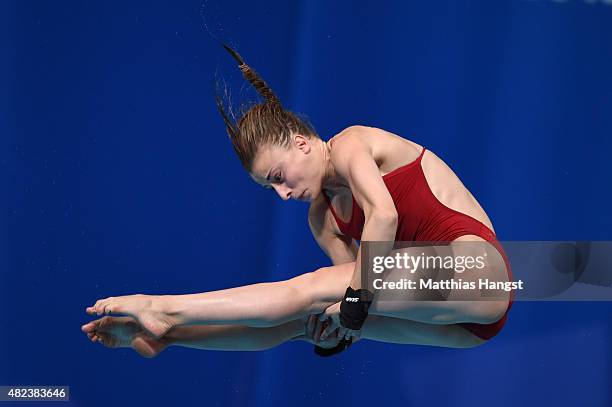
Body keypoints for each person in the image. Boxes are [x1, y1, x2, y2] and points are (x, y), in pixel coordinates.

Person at [82, 45, 513, 357]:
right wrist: (335, 334)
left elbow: (384, 216)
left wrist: (352, 310)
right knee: (301, 322)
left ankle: (164, 307)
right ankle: (167, 336)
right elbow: (353, 304)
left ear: (301, 143)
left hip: (480, 273)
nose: (284, 195)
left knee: (310, 289)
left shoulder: (349, 145)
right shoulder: (322, 219)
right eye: (271, 189)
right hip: (464, 328)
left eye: (279, 178)